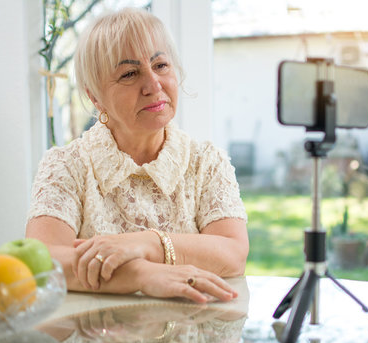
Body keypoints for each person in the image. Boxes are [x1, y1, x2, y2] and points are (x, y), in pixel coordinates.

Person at [26, 7, 248, 303]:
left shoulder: (206, 161)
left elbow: (232, 254)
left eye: (160, 65)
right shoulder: (66, 165)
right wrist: (143, 275)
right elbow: (42, 264)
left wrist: (146, 244)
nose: (154, 85)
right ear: (95, 97)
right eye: (130, 73)